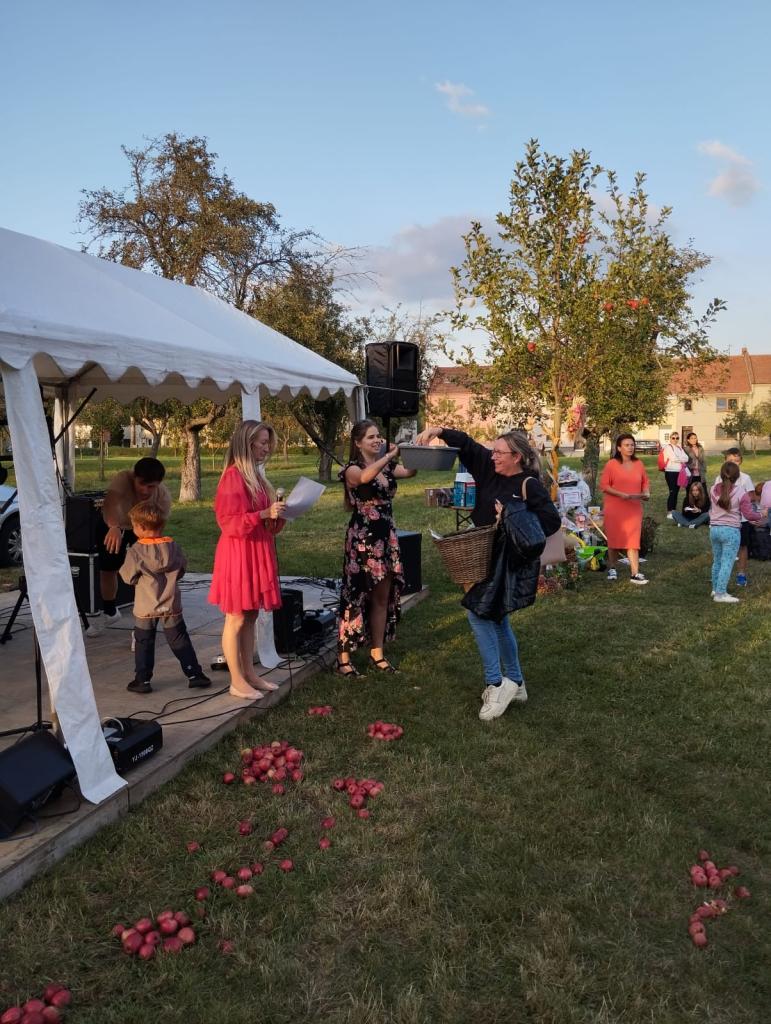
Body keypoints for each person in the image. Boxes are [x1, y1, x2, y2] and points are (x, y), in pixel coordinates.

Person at [415, 425, 560, 721]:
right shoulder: (488, 469)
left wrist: (511, 514)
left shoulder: (528, 484)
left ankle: (495, 684)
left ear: (516, 457)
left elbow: (550, 521)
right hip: (482, 553)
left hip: (506, 560)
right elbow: (467, 444)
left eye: (499, 453)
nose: (493, 456)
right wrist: (438, 431)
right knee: (496, 617)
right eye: (493, 451)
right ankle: (516, 682)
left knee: (478, 614)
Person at [208, 421, 286, 699]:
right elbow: (228, 522)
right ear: (247, 443)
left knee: (251, 615)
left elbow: (264, 523)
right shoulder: (233, 477)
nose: (267, 448)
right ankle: (236, 680)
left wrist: (279, 515)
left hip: (255, 549)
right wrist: (264, 514)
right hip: (238, 553)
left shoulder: (256, 476)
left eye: (268, 443)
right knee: (237, 617)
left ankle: (250, 674)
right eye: (263, 443)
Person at [336, 420, 416, 676]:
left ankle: (377, 653)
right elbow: (364, 478)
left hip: (386, 537)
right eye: (371, 437)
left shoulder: (387, 466)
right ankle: (343, 657)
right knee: (356, 594)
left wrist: (414, 450)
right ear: (357, 442)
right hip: (363, 539)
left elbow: (410, 472)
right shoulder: (351, 469)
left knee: (382, 596)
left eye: (378, 436)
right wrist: (388, 456)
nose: (377, 440)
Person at [119, 501, 210, 694]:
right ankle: (195, 675)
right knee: (179, 639)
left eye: (134, 526)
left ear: (141, 527)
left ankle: (142, 680)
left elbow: (128, 577)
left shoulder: (136, 551)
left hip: (146, 606)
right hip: (171, 603)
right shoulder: (173, 546)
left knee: (144, 642)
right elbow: (182, 569)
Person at [86, 456, 171, 637]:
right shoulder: (123, 478)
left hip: (143, 529)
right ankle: (110, 612)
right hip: (114, 524)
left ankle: (142, 626)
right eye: (142, 484)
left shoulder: (162, 497)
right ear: (134, 477)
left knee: (146, 574)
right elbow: (110, 503)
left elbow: (158, 527)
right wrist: (113, 526)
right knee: (107, 569)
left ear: (159, 484)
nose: (145, 490)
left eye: (151, 486)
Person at [708, 462, 766, 603]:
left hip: (714, 529)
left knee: (717, 560)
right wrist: (762, 514)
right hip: (731, 531)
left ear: (721, 474)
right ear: (738, 476)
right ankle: (720, 594)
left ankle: (715, 588)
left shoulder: (713, 489)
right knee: (727, 562)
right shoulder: (740, 492)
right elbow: (749, 514)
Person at [599, 434, 651, 584]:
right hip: (615, 508)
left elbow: (645, 482)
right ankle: (612, 568)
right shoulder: (611, 464)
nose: (630, 447)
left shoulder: (639, 464)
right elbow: (604, 485)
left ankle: (635, 573)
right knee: (614, 539)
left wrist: (646, 492)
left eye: (632, 445)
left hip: (633, 508)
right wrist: (621, 494)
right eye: (627, 445)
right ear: (619, 448)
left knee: (633, 540)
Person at [713, 447, 754, 587]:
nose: (733, 463)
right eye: (730, 460)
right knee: (722, 548)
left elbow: (751, 497)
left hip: (741, 519)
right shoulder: (719, 478)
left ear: (740, 461)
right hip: (724, 521)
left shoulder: (745, 478)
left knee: (742, 546)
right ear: (724, 461)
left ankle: (741, 574)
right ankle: (720, 575)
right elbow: (715, 498)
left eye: (736, 460)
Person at [660, 432, 689, 519]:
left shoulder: (679, 448)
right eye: (673, 438)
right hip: (670, 472)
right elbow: (673, 458)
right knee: (672, 492)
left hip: (679, 472)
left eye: (677, 438)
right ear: (670, 439)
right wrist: (681, 459)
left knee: (676, 492)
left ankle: (674, 511)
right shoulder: (668, 447)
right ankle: (669, 512)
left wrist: (679, 458)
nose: (675, 440)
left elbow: (687, 458)